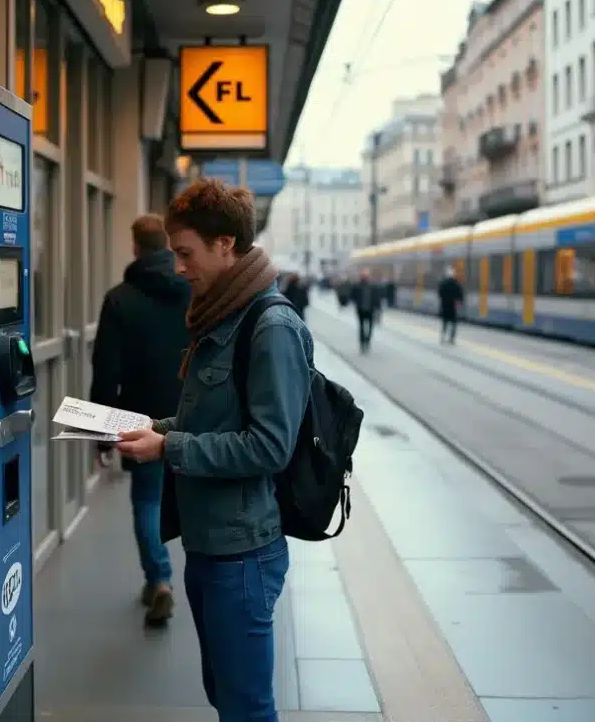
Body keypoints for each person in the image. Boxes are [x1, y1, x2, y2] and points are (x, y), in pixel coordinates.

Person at [114, 179, 313, 722]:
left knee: (246, 708)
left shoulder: (270, 326)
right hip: (211, 546)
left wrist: (169, 446)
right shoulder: (223, 314)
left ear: (225, 244)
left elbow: (270, 446)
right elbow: (214, 418)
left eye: (186, 253)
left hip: (242, 553)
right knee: (226, 698)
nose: (178, 268)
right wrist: (151, 429)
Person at [90, 214, 191, 627]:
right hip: (190, 413)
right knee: (192, 496)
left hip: (139, 417)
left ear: (135, 247)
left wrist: (100, 435)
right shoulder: (192, 290)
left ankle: (160, 579)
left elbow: (105, 370)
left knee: (147, 501)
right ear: (167, 245)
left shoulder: (120, 299)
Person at [351, 269, 382, 352]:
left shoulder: (373, 286)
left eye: (366, 276)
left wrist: (378, 308)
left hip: (370, 310)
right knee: (361, 327)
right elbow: (353, 296)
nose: (365, 277)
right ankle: (362, 342)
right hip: (361, 310)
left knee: (370, 327)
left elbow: (377, 298)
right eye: (364, 276)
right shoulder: (357, 285)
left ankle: (367, 341)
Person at [437, 265, 465, 344]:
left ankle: (442, 337)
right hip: (453, 307)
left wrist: (443, 301)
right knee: (453, 323)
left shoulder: (443, 283)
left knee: (445, 323)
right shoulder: (456, 283)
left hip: (445, 306)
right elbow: (460, 295)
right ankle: (452, 339)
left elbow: (439, 293)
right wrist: (459, 303)